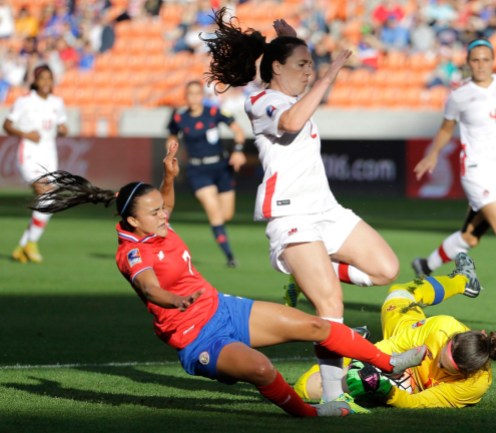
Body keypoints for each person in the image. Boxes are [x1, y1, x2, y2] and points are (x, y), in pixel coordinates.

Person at [29, 141, 425, 417]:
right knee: (264, 371)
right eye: (154, 213)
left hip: (224, 309)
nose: (164, 215)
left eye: (161, 210)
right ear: (132, 221)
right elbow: (150, 287)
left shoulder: (154, 224)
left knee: (318, 325)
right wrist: (173, 301)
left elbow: (165, 203)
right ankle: (310, 414)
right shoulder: (133, 252)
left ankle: (387, 362)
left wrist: (168, 177)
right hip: (196, 336)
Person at [203, 9, 400, 409]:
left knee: (386, 269)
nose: (310, 72)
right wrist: (328, 74)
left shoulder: (287, 90)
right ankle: (333, 398)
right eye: (302, 65)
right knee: (331, 306)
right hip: (291, 215)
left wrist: (295, 45)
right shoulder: (261, 100)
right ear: (276, 68)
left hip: (326, 210)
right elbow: (291, 121)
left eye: (311, 65)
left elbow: (295, 90)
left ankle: (309, 272)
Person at [412, 39, 496, 322]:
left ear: (493, 61)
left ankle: (426, 264)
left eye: (485, 59)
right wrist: (433, 154)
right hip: (476, 172)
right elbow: (446, 128)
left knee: (470, 238)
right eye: (475, 60)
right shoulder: (460, 95)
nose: (480, 65)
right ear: (468, 63)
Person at [294, 253, 496, 409]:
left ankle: (355, 346)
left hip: (404, 387)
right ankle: (463, 281)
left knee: (304, 388)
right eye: (439, 354)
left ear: (463, 372)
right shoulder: (443, 328)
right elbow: (392, 346)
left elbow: (419, 402)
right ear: (451, 340)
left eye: (444, 367)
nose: (436, 362)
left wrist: (386, 391)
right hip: (401, 345)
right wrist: (362, 358)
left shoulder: (474, 385)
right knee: (399, 293)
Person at [167, 80, 246, 268]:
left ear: (202, 96)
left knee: (226, 214)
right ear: (186, 97)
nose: (193, 98)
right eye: (190, 94)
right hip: (197, 170)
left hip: (221, 167)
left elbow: (238, 131)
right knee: (214, 212)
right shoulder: (179, 118)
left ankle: (226, 249)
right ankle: (230, 257)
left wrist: (238, 150)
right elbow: (171, 137)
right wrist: (171, 156)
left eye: (197, 93)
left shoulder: (213, 112)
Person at [4, 64, 68, 264]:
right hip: (29, 152)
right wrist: (26, 134)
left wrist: (63, 129)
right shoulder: (24, 101)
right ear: (35, 80)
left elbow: (61, 125)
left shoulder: (57, 102)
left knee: (49, 200)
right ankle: (31, 244)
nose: (46, 82)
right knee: (45, 192)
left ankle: (24, 246)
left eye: (49, 78)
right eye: (42, 78)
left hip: (50, 153)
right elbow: (6, 125)